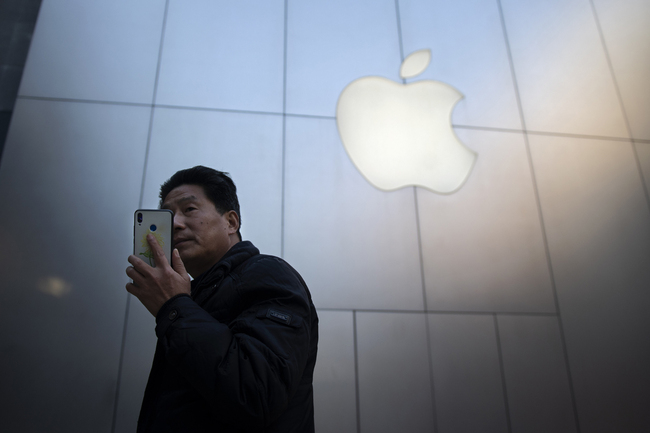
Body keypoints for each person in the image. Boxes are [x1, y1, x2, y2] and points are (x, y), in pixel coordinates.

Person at [125, 166, 318, 433]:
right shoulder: (192, 298)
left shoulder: (269, 273)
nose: (176, 223)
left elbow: (256, 394)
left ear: (231, 222)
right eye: (168, 215)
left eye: (189, 209)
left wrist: (174, 308)